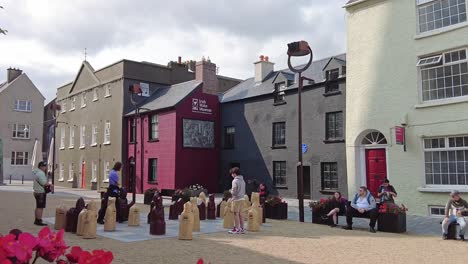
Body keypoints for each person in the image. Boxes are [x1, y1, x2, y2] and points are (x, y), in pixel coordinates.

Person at [228, 167, 246, 234]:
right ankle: (242, 228)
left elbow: (234, 191)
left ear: (234, 173)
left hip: (236, 199)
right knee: (241, 214)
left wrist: (230, 191)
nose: (231, 175)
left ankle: (237, 229)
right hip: (242, 199)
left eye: (232, 174)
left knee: (236, 214)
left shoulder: (235, 181)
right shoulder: (242, 180)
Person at [33, 161, 49, 226]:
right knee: (40, 207)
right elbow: (44, 183)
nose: (45, 167)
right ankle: (39, 220)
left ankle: (36, 219)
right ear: (41, 167)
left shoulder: (37, 172)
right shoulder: (41, 173)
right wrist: (51, 185)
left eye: (45, 166)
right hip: (40, 192)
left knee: (38, 206)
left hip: (36, 192)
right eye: (44, 166)